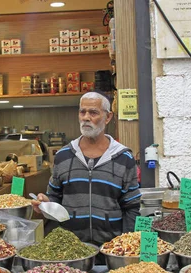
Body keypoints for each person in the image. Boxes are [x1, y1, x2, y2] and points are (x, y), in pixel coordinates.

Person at [32, 92, 141, 245]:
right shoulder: (64, 156)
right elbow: (55, 196)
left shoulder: (124, 158)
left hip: (111, 247)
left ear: (108, 117)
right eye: (82, 112)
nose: (86, 117)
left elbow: (132, 206)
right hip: (71, 248)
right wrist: (45, 203)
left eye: (93, 112)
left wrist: (126, 244)